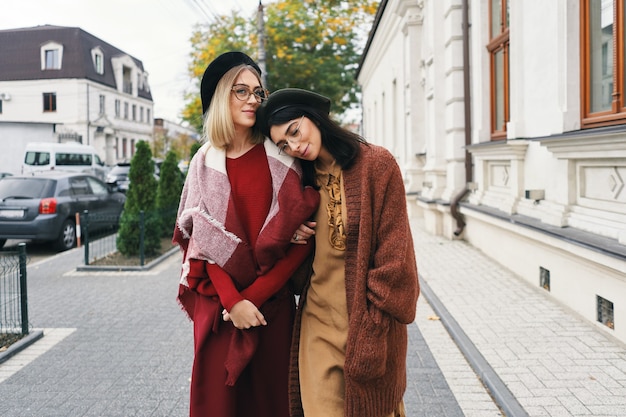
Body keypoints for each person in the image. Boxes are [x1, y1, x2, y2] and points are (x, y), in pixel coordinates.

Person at [258, 88, 420, 417]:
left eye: (294, 131)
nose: (294, 146)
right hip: (318, 323)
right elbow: (290, 262)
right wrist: (293, 236)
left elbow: (395, 262)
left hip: (368, 324)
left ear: (313, 117)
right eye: (284, 146)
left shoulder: (378, 165)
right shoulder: (299, 184)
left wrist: (373, 334)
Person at [173, 54, 319, 417]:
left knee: (272, 405)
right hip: (220, 310)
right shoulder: (203, 163)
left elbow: (303, 242)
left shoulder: (283, 157)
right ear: (222, 97)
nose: (254, 99)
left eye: (258, 91)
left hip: (270, 308)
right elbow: (202, 246)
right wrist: (232, 303)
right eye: (242, 91)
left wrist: (251, 299)